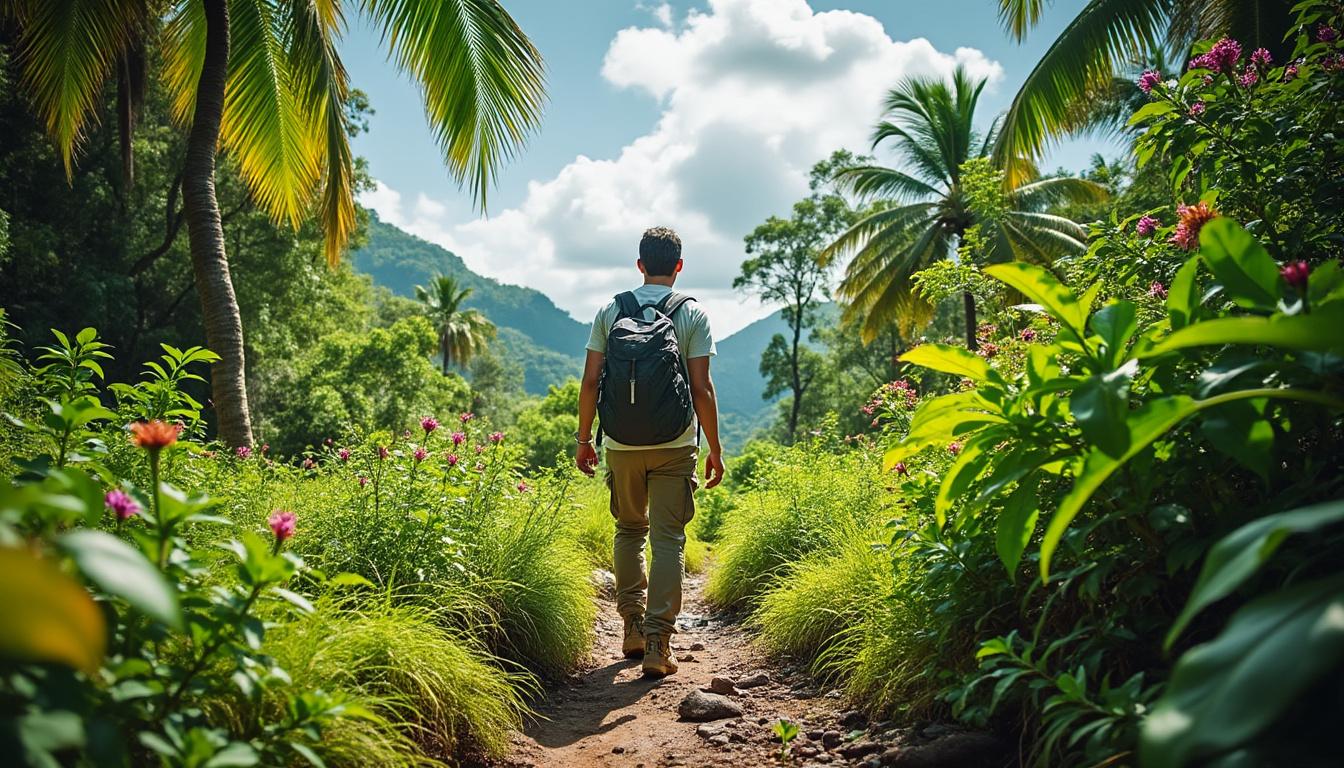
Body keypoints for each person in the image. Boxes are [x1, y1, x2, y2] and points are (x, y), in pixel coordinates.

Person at [576, 226, 726, 678]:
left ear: (639, 264)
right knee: (668, 540)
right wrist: (714, 449)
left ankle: (633, 627)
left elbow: (589, 382)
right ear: (679, 266)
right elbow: (701, 388)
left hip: (620, 442)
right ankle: (660, 643)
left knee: (628, 531)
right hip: (676, 443)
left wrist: (585, 439)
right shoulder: (692, 314)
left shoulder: (610, 309)